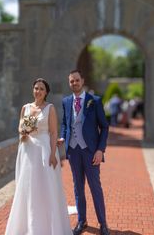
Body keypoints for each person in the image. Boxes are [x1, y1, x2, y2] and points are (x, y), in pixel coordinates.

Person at [5, 78, 72, 235]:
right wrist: (23, 131)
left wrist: (53, 153)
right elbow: (21, 129)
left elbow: (54, 131)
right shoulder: (26, 108)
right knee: (28, 186)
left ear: (46, 92)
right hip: (27, 150)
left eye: (41, 89)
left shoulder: (50, 108)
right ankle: (26, 227)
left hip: (45, 150)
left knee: (47, 186)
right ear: (33, 90)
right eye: (36, 88)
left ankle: (48, 228)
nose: (38, 91)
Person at [58, 70, 110, 235]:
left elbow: (105, 127)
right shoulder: (66, 101)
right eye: (71, 81)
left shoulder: (94, 101)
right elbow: (65, 124)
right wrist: (63, 139)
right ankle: (82, 221)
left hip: (90, 152)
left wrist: (100, 150)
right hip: (73, 151)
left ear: (82, 80)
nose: (74, 83)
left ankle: (103, 224)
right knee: (77, 187)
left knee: (95, 187)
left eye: (77, 80)